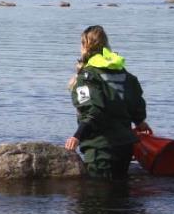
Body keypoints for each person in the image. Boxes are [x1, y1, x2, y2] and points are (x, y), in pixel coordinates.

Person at [65, 25, 151, 179]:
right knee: (121, 195)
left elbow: (93, 110)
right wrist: (140, 122)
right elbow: (136, 103)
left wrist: (77, 136)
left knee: (98, 197)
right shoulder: (123, 73)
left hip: (100, 148)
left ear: (85, 45)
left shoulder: (88, 76)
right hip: (126, 146)